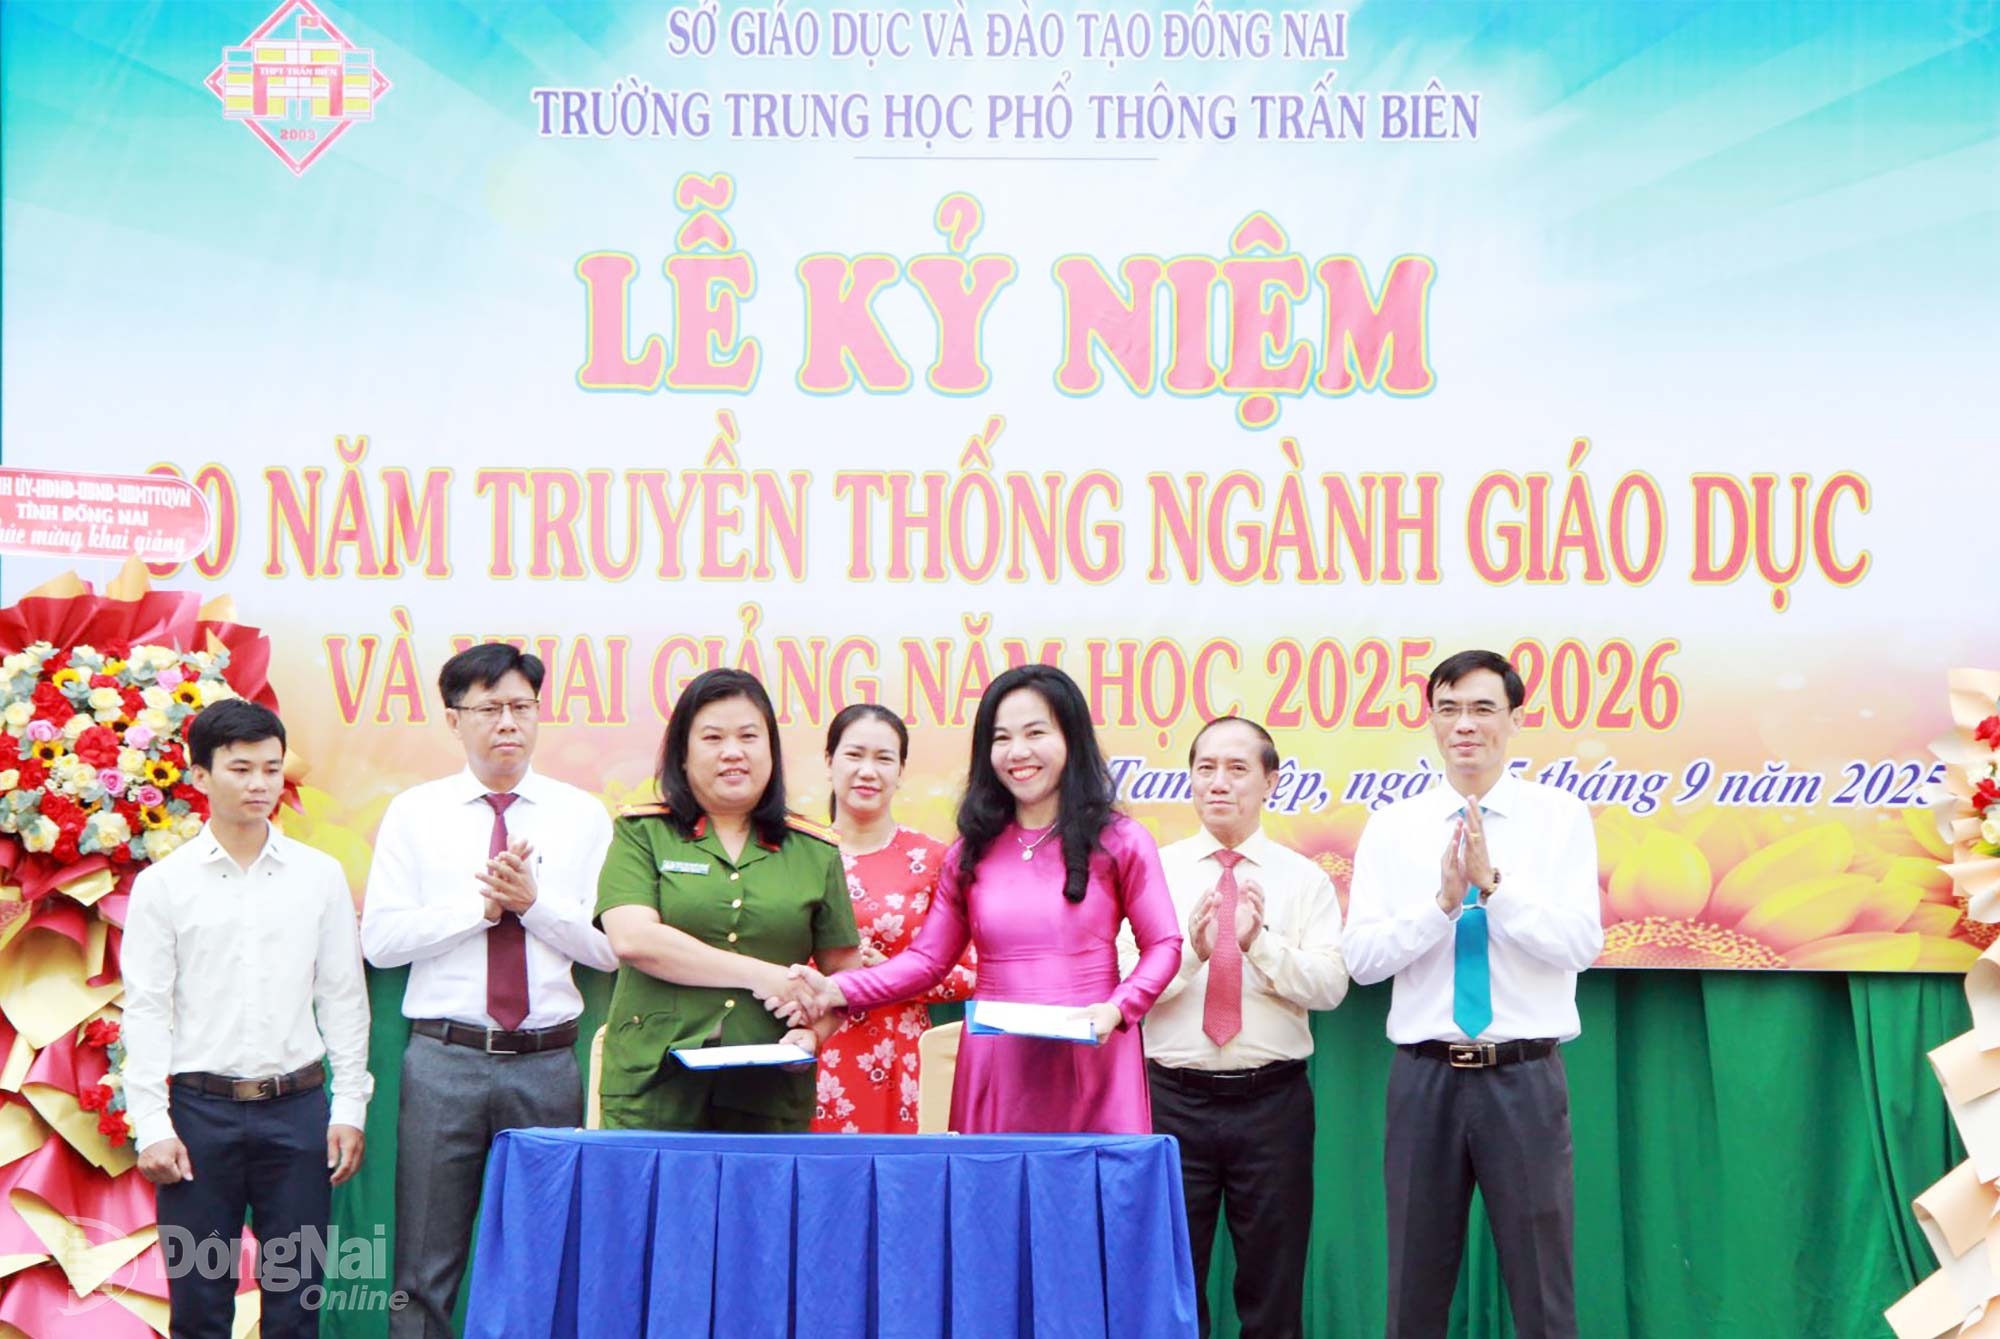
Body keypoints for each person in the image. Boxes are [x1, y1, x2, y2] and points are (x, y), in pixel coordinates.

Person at [779, 664, 1183, 1134]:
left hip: (1094, 1055)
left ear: (1071, 738)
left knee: (1093, 1180)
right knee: (994, 1180)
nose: (1018, 752)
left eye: (1035, 733)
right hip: (998, 1063)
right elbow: (928, 961)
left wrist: (1118, 1009)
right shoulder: (971, 852)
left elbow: (1164, 944)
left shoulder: (1121, 840)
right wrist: (838, 990)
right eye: (1001, 738)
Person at [360, 643, 619, 1339]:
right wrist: (477, 911)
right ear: (454, 719)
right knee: (423, 1266)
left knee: (547, 1256)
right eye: (490, 708)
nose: (508, 722)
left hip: (547, 1062)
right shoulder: (415, 813)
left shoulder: (582, 816)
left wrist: (534, 906)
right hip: (444, 1060)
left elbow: (609, 948)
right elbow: (381, 941)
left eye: (521, 706)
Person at [1345, 650, 1602, 1339]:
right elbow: (1362, 961)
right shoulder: (1393, 825)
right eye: (1449, 709)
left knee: (1543, 1288)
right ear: (1431, 720)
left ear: (1516, 719)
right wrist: (1441, 905)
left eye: (1483, 708)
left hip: (1524, 1075)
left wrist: (1496, 889)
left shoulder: (1560, 817)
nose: (1465, 724)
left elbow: (1581, 945)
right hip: (1423, 1075)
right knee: (1413, 1285)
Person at [124, 699, 372, 1339]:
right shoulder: (164, 885)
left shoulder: (319, 877)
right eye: (240, 769)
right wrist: (151, 1123)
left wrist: (349, 1106)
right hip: (198, 1116)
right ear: (200, 775)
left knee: (296, 1306)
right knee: (199, 1308)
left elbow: (343, 998)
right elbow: (146, 1009)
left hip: (298, 1112)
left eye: (271, 768)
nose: (260, 784)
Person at [1131, 715, 1348, 1339]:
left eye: (1236, 769)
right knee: (1170, 1281)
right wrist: (1191, 956)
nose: (1218, 783)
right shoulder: (1153, 872)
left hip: (1272, 1103)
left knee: (1273, 1287)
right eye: (1205, 769)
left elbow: (1330, 987)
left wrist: (1260, 946)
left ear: (1270, 782)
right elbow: (1125, 988)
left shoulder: (1304, 879)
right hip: (1170, 1100)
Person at [594, 668, 861, 1131]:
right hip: (652, 1087)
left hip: (769, 1090)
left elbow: (845, 974)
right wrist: (764, 975)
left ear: (771, 751)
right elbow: (633, 940)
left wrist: (813, 1034)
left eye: (749, 736)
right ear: (682, 755)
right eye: (713, 737)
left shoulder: (815, 850)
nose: (733, 751)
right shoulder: (643, 834)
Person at [811, 703, 976, 1134]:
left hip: (900, 1055)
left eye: (883, 759)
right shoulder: (796, 853)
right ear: (829, 761)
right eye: (854, 755)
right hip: (812, 1050)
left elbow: (974, 973)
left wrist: (894, 974)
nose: (868, 771)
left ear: (901, 771)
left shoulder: (934, 860)